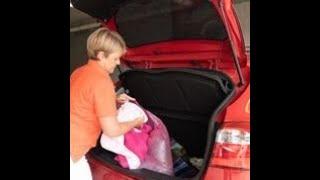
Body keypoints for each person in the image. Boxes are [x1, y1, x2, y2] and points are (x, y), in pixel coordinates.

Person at [70, 27, 144, 180]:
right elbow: (112, 131)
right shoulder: (102, 82)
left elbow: (82, 100)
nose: (118, 63)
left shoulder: (79, 72)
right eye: (115, 58)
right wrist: (136, 122)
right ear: (102, 55)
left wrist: (113, 100)